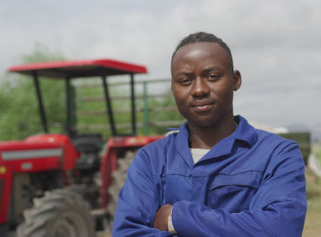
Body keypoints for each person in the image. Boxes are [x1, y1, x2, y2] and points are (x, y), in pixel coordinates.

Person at [113, 32, 307, 236]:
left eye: (212, 76)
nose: (198, 90)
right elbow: (128, 232)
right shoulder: (151, 160)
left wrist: (176, 217)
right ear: (173, 88)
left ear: (235, 80)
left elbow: (279, 229)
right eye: (185, 80)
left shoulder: (277, 155)